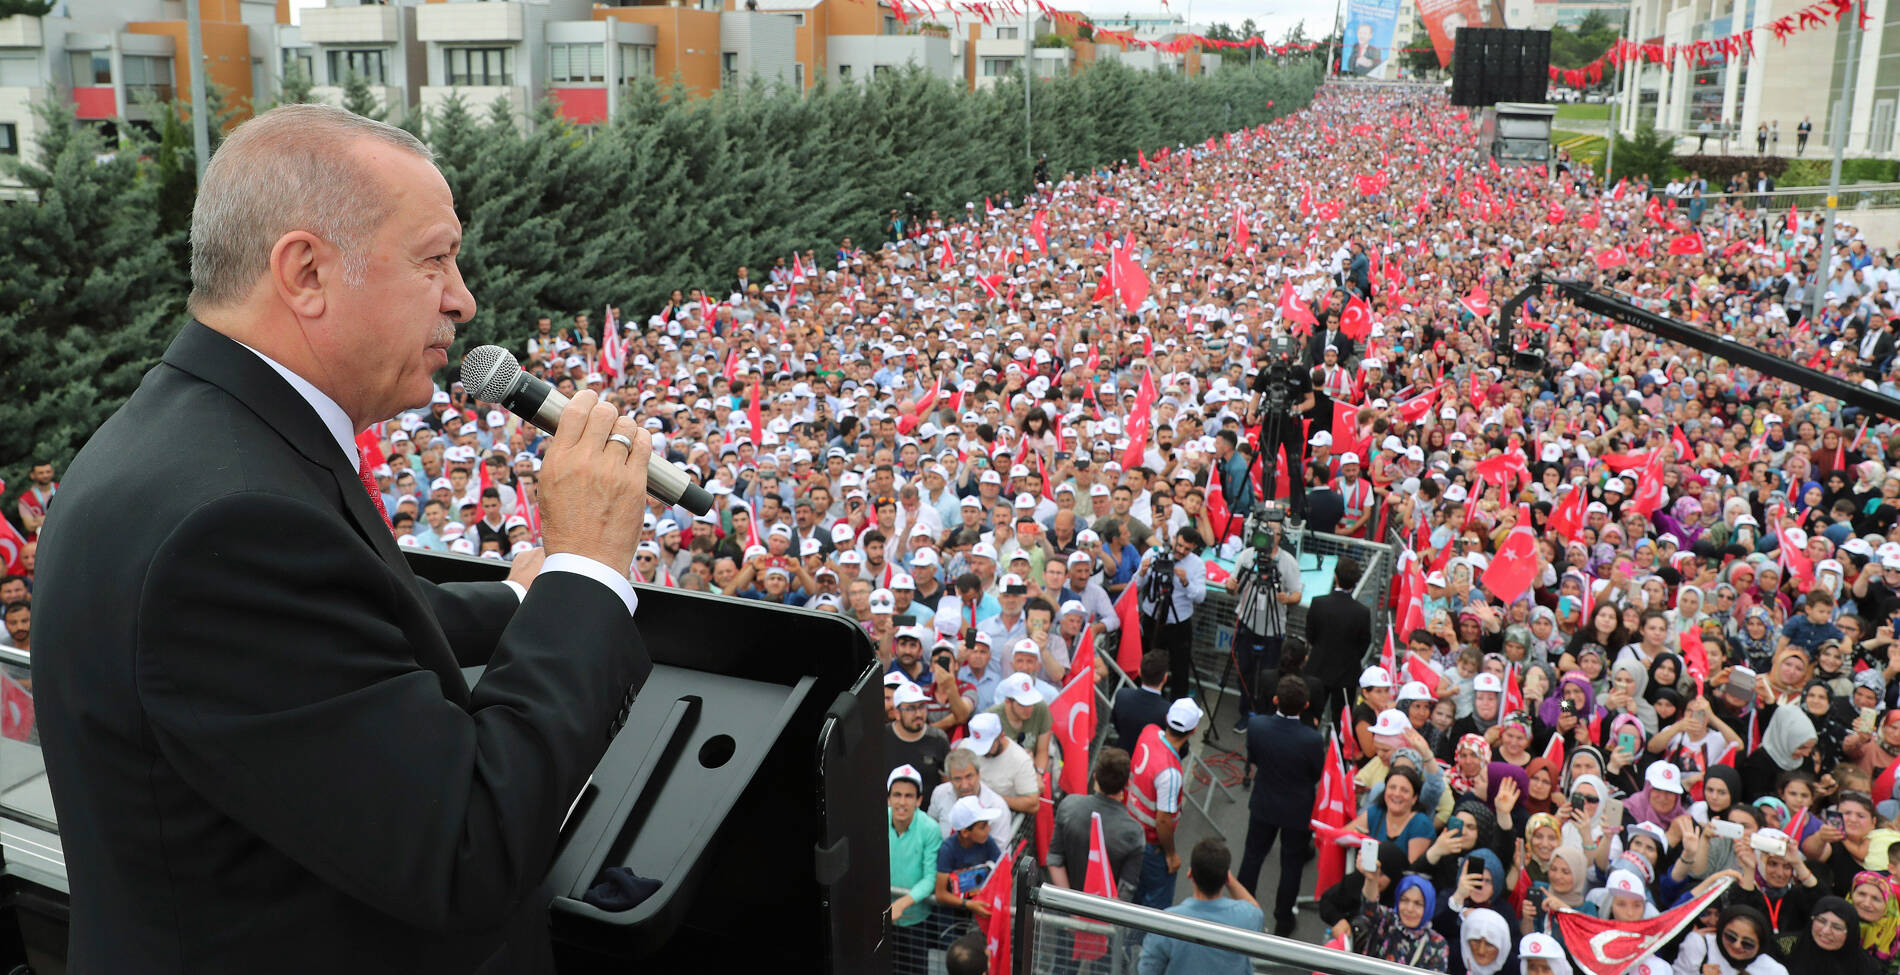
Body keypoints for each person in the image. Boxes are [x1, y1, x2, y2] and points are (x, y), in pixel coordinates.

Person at [31, 105, 658, 973]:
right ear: (306, 271)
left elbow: (346, 625)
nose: (463, 298)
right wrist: (587, 569)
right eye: (434, 258)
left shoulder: (192, 440)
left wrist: (522, 597)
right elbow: (468, 848)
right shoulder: (230, 528)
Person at [1240, 676, 1325, 935]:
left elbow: (1254, 758)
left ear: (1275, 700)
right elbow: (1316, 773)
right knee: (1291, 865)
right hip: (1296, 810)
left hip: (1264, 803)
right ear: (1306, 705)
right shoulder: (1312, 739)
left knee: (1252, 857)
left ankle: (1243, 912)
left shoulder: (1257, 726)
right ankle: (1284, 920)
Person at [1137, 838, 1264, 975]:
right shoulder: (1247, 916)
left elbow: (1147, 970)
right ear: (1226, 878)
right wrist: (1228, 878)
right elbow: (1255, 908)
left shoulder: (1164, 923)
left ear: (1190, 874)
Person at [1224, 515, 1304, 729]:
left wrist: (1287, 598)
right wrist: (1230, 586)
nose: (1269, 534)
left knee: (1270, 674)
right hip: (1247, 623)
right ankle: (1246, 711)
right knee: (1245, 670)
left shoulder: (1288, 562)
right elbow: (1232, 589)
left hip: (1273, 628)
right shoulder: (1247, 556)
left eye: (1274, 531)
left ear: (1281, 535)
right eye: (1266, 529)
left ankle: (1266, 715)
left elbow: (1297, 593)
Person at [1127, 698, 1202, 911]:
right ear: (1194, 730)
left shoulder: (1149, 731)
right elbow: (1163, 820)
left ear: (1167, 719)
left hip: (1130, 828)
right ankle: (1142, 941)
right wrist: (1171, 854)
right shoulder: (1170, 772)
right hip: (1151, 845)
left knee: (1133, 890)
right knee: (1155, 902)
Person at [1047, 747, 1144, 901]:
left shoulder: (1069, 806)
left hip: (1064, 912)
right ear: (1127, 784)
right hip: (1105, 919)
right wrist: (1096, 921)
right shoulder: (1133, 831)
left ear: (1095, 777)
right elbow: (1126, 889)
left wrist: (1070, 908)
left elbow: (1054, 860)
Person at [1134, 528, 1207, 702]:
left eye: (1187, 549)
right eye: (1179, 545)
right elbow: (1135, 586)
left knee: (1180, 667)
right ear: (1174, 538)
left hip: (1179, 622)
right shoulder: (1153, 553)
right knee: (1148, 662)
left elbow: (1200, 597)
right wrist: (1142, 573)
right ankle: (1146, 701)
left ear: (1194, 548)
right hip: (1152, 617)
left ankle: (1177, 706)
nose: (1181, 551)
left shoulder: (1196, 564)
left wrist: (1186, 581)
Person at [886, 764, 944, 973]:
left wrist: (901, 904)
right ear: (889, 798)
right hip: (882, 916)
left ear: (919, 800)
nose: (902, 802)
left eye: (909, 796)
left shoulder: (930, 829)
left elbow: (930, 878)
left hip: (917, 921)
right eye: (897, 795)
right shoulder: (875, 821)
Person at [1305, 555, 1373, 723]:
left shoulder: (1318, 603)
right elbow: (1363, 644)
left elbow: (1310, 635)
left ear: (1335, 576)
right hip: (1346, 675)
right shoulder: (1362, 612)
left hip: (1318, 669)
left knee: (1310, 718)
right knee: (1341, 724)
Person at [1358, 872, 1450, 971]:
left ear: (1428, 907)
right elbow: (1369, 907)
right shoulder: (1386, 920)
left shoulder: (1437, 943)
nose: (1410, 909)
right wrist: (1371, 879)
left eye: (1418, 904)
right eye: (1405, 900)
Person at [887, 681, 952, 797]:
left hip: (929, 812)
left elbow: (947, 783)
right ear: (897, 713)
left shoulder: (938, 739)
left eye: (922, 706)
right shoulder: (882, 737)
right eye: (911, 708)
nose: (918, 714)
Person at [1111, 650, 1172, 753]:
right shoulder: (1168, 711)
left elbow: (1116, 723)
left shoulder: (1122, 695)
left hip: (1122, 757)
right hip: (1148, 764)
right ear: (1165, 678)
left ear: (1139, 672)